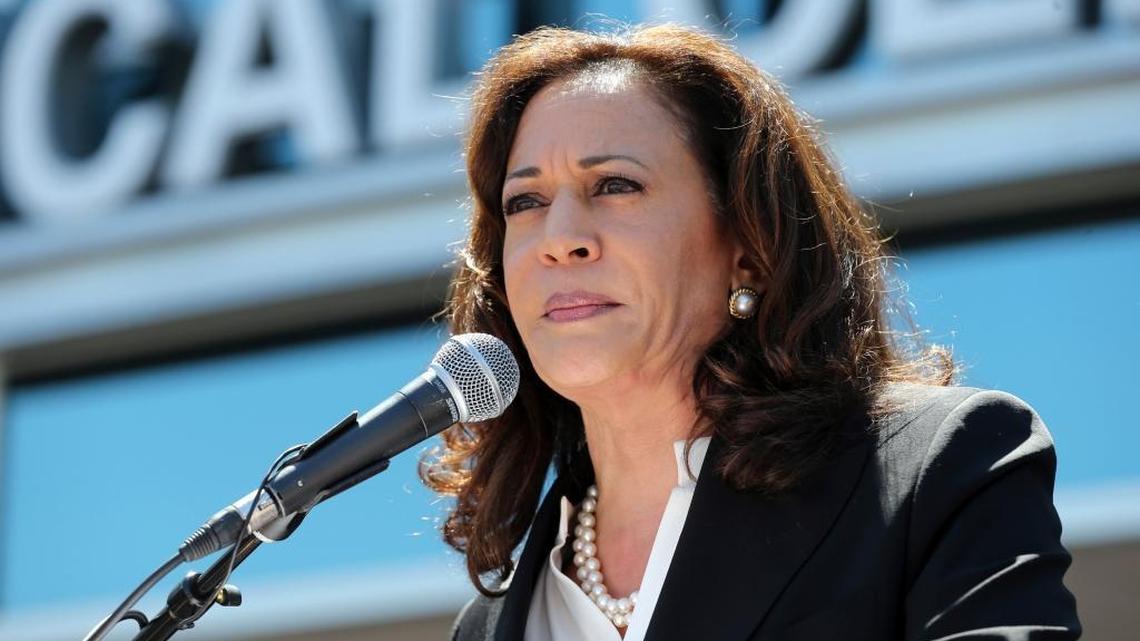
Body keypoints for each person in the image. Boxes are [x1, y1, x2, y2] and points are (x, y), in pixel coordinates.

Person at [420, 22, 1082, 641]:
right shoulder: (488, 624)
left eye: (616, 185)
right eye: (525, 202)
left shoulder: (933, 471)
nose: (559, 239)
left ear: (749, 245)